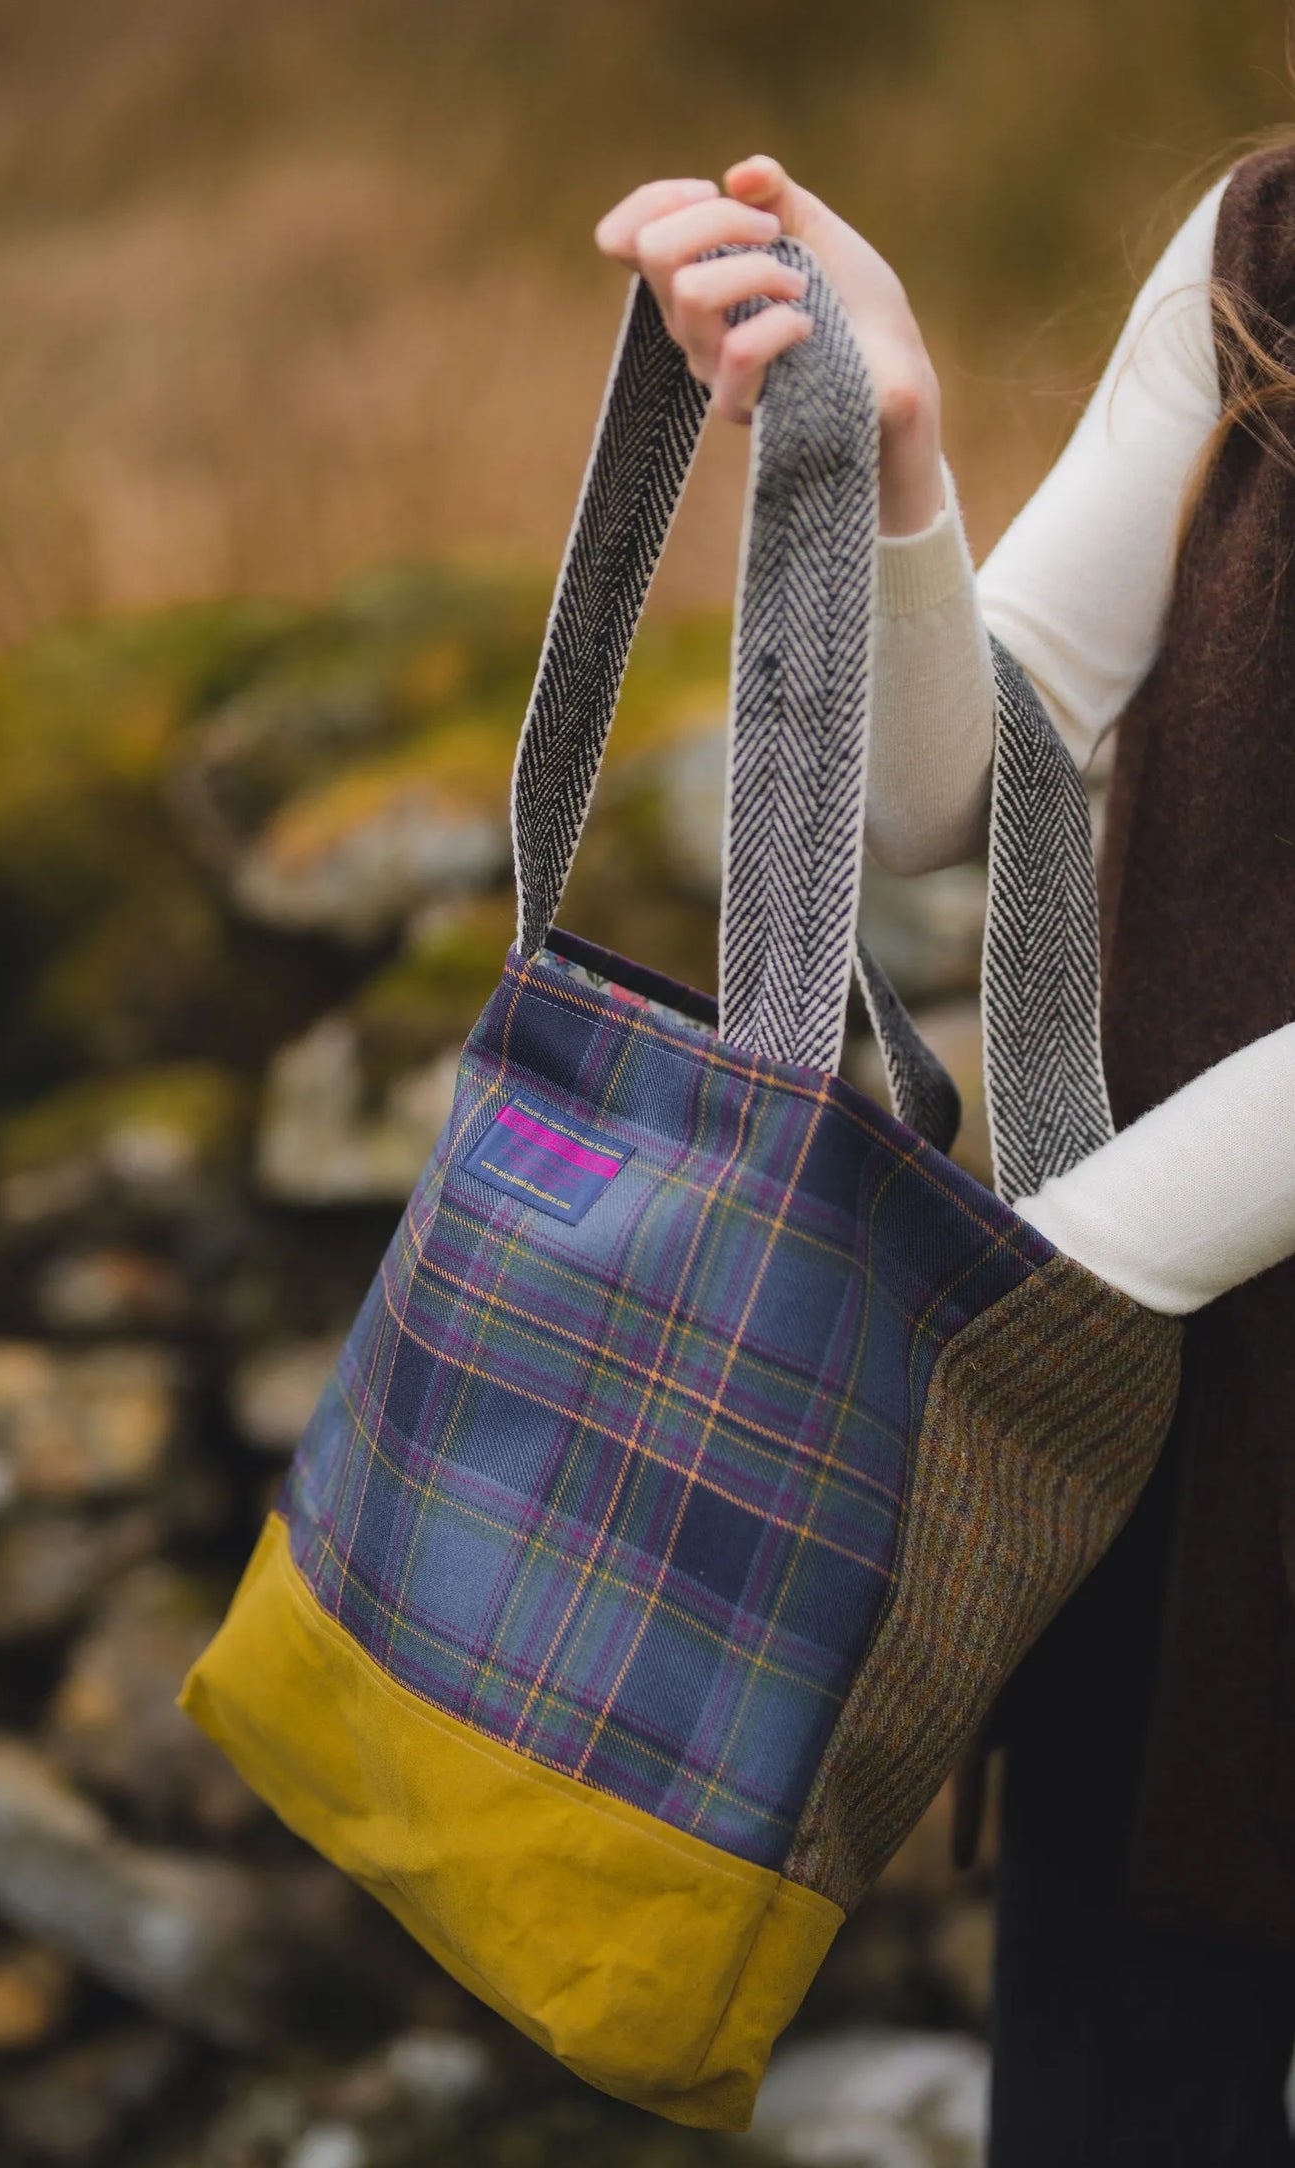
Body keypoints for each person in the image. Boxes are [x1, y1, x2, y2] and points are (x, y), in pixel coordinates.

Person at [595, 147, 1295, 2165]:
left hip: (1094, 1346)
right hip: (1172, 1497)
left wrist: (958, 1329)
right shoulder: (1264, 238)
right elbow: (959, 776)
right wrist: (884, 434)